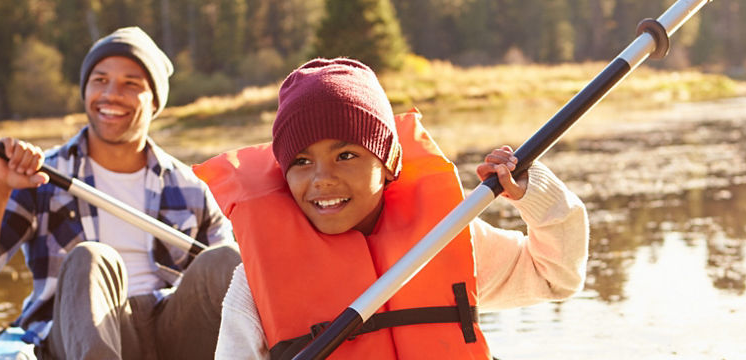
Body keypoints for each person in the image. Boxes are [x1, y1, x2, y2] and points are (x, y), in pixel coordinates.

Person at [194, 58, 589, 359]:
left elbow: (556, 275)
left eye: (346, 154)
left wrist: (533, 194)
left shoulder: (444, 238)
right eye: (301, 161)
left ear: (389, 163)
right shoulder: (258, 281)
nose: (322, 178)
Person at [0, 27, 240, 360]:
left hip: (169, 330)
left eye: (131, 83)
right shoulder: (42, 175)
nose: (111, 94)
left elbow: (229, 283)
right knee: (92, 258)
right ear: (84, 91)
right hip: (76, 336)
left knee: (226, 259)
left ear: (154, 103)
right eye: (100, 80)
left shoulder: (191, 187)